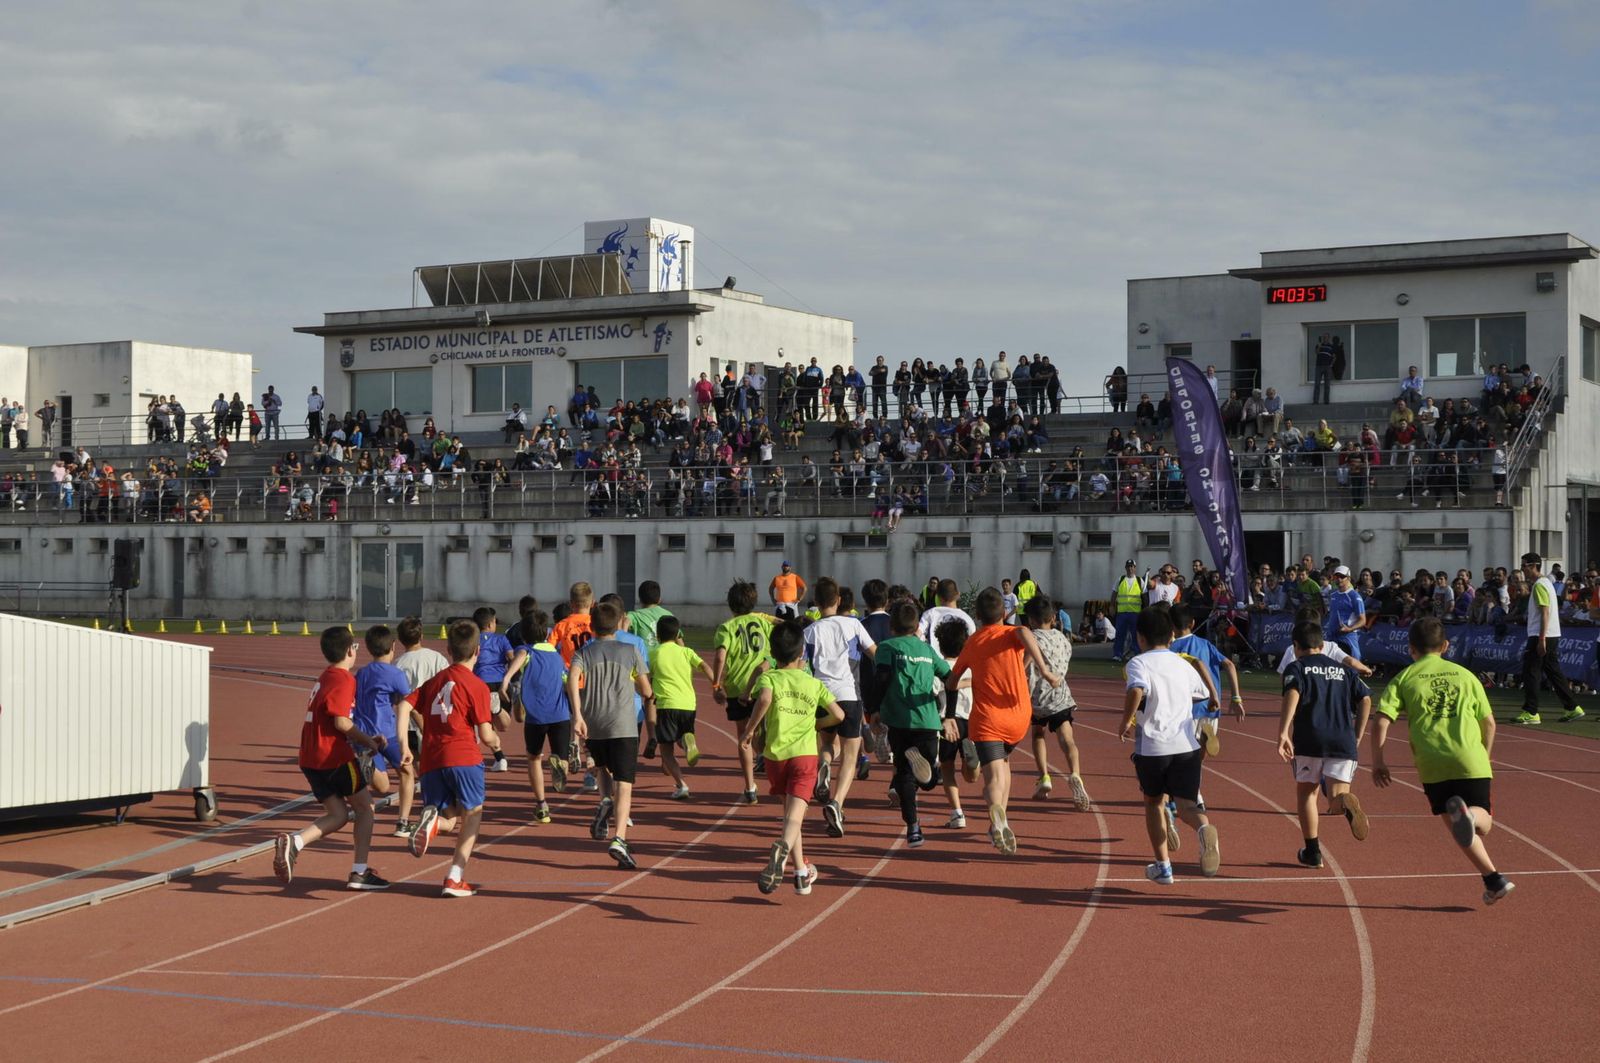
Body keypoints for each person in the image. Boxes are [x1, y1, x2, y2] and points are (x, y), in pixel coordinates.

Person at [1372, 617, 1514, 905]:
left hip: (1432, 762)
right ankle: (1475, 825)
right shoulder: (1466, 676)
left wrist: (1378, 761)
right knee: (1481, 823)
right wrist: (1484, 757)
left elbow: (1381, 721)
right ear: (1446, 646)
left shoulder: (1404, 678)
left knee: (1458, 826)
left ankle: (1493, 879)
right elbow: (1489, 723)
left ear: (1410, 648)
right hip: (1470, 758)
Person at [944, 587, 1062, 855]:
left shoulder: (972, 643)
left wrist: (950, 714)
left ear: (977, 614)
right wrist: (1044, 670)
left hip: (988, 721)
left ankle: (997, 815)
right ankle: (999, 820)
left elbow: (951, 683)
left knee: (994, 777)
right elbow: (1024, 632)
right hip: (1018, 717)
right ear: (1006, 612)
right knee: (1004, 767)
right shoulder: (1013, 634)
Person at [272, 626, 390, 890]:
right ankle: (359, 872)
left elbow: (331, 722)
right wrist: (369, 742)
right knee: (365, 808)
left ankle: (296, 842)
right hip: (333, 758)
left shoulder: (325, 676)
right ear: (350, 650)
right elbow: (341, 722)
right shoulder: (344, 679)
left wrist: (363, 743)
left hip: (310, 757)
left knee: (338, 814)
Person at [1120, 607, 1222, 884]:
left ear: (1140, 637)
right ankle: (1203, 830)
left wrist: (1127, 720)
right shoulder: (1181, 663)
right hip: (1186, 745)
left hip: (1153, 747)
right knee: (1188, 805)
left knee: (1154, 803)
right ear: (1172, 635)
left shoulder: (1138, 663)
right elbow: (1199, 694)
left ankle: (1163, 866)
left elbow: (1137, 689)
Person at [743, 621, 844, 895]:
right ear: (802, 654)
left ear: (773, 655)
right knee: (794, 818)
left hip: (775, 756)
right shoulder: (813, 683)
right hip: (804, 756)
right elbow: (839, 715)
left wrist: (750, 731)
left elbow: (763, 699)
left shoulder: (770, 678)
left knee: (789, 816)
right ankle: (782, 851)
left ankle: (801, 873)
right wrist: (817, 724)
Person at [403, 620, 496, 897]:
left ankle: (432, 824)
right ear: (478, 651)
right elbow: (486, 733)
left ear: (448, 649)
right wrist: (496, 742)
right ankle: (454, 876)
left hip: (432, 758)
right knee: (474, 814)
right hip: (463, 755)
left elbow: (404, 704)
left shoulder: (435, 681)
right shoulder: (476, 686)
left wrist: (402, 742)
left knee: (451, 817)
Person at [1277, 620, 1373, 869]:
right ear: (1322, 645)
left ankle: (1313, 852)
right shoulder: (1344, 670)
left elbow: (1293, 693)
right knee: (1335, 800)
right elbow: (1365, 699)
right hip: (1343, 739)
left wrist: (1283, 731)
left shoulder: (1295, 668)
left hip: (1310, 739)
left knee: (1307, 793)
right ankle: (1346, 802)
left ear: (1296, 646)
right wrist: (1358, 733)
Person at [568, 600, 655, 870]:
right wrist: (648, 694)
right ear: (619, 625)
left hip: (595, 724)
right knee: (625, 783)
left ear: (591, 626)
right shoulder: (630, 651)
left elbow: (572, 679)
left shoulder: (584, 652)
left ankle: (605, 800)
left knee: (603, 768)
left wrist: (578, 715)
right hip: (623, 725)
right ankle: (620, 837)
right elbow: (645, 688)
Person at [873, 600, 950, 847]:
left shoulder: (886, 647)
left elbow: (882, 680)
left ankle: (914, 827)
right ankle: (932, 771)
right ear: (917, 626)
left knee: (904, 774)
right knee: (926, 781)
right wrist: (951, 714)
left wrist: (873, 710)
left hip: (898, 720)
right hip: (927, 718)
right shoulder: (927, 650)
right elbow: (949, 676)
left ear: (891, 627)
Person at [804, 577, 877, 837]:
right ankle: (837, 802)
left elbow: (802, 666)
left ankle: (824, 766)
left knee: (826, 745)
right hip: (848, 693)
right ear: (838, 600)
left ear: (816, 603)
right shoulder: (854, 624)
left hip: (821, 695)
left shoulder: (809, 631)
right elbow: (874, 653)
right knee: (849, 755)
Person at [1021, 597, 1091, 810]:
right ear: (1053, 618)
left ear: (1030, 620)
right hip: (1060, 696)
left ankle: (1044, 776)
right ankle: (1075, 773)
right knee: (1067, 739)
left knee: (1038, 735)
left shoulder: (1031, 638)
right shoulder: (1062, 639)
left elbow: (1025, 665)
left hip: (1037, 698)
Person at [711, 580, 777, 804]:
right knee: (761, 728)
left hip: (737, 686)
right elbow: (784, 625)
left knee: (743, 735)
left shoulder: (726, 627)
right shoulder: (762, 622)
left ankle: (749, 786)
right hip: (764, 683)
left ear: (730, 604)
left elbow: (720, 656)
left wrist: (716, 685)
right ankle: (766, 754)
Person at [502, 610, 570, 824]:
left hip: (536, 716)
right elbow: (567, 683)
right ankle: (561, 763)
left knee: (533, 758)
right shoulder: (557, 656)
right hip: (560, 714)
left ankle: (541, 805)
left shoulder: (526, 650)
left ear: (524, 634)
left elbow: (519, 658)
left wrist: (506, 680)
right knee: (562, 755)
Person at [353, 624, 419, 838]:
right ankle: (402, 823)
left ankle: (367, 764)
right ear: (393, 646)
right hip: (387, 732)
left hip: (364, 734)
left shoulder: (361, 673)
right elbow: (408, 704)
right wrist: (424, 726)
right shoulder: (395, 674)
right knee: (407, 772)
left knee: (382, 787)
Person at [1514, 551, 1583, 724]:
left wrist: (1541, 638)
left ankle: (1531, 712)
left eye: (1524, 566)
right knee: (1553, 673)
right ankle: (1572, 707)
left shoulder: (1539, 585)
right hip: (1549, 633)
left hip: (1541, 634)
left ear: (1533, 566)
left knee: (1531, 672)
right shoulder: (1545, 583)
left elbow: (1545, 612)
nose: (1523, 569)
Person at [650, 615, 713, 800]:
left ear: (657, 635)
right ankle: (686, 741)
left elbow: (646, 676)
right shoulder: (686, 652)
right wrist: (716, 685)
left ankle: (681, 784)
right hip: (688, 704)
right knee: (681, 735)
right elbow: (705, 667)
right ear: (678, 633)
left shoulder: (654, 653)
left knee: (666, 751)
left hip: (666, 704)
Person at [1170, 602, 1244, 757]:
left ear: (1171, 625)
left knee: (1182, 754)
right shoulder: (1205, 644)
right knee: (1199, 754)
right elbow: (1229, 665)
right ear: (1192, 623)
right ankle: (1206, 736)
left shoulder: (1171, 649)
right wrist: (1236, 697)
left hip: (1188, 709)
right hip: (1211, 704)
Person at [471, 606, 514, 771]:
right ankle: (500, 758)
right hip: (501, 682)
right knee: (503, 725)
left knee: (486, 723)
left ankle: (500, 758)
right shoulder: (501, 639)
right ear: (490, 624)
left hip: (481, 682)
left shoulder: (474, 641)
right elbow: (511, 658)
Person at [916, 577, 974, 648]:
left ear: (938, 597)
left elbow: (917, 635)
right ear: (958, 594)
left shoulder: (929, 614)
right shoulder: (967, 619)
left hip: (934, 657)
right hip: (959, 658)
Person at [1324, 564, 1366, 660]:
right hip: (1332, 636)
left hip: (1347, 637)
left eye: (1342, 577)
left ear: (1349, 578)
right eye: (1336, 576)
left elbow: (1362, 620)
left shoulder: (1354, 596)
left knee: (1352, 666)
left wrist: (1349, 629)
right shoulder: (1333, 594)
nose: (1339, 579)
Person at [626, 580, 673, 660]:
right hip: (664, 662)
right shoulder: (669, 615)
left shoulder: (634, 616)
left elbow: (621, 626)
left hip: (642, 663)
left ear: (640, 599)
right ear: (659, 599)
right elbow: (679, 640)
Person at [1111, 559, 1144, 662]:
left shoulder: (1139, 580)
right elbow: (1114, 594)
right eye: (1128, 566)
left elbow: (1145, 595)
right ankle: (1118, 654)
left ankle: (1136, 654)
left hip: (1135, 613)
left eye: (1132, 566)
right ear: (1125, 568)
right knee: (1120, 634)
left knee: (1136, 634)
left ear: (1135, 568)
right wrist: (1112, 606)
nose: (1130, 568)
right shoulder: (1120, 579)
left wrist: (1145, 610)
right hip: (1122, 612)